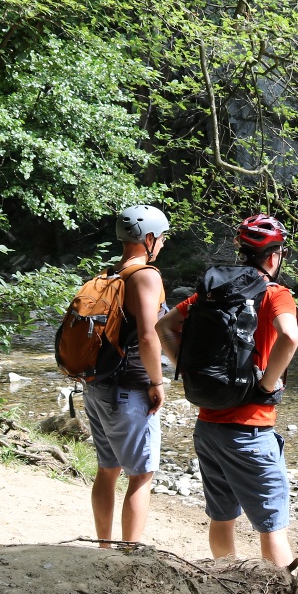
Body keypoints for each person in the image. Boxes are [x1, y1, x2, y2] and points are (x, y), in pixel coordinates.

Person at [158, 214, 298, 568]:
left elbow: (164, 327)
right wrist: (265, 384)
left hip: (208, 428)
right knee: (272, 528)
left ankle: (227, 586)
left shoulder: (213, 293)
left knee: (222, 517)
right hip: (250, 431)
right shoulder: (275, 294)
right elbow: (289, 336)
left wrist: (186, 370)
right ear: (274, 257)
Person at [86, 204, 169, 546]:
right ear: (148, 238)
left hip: (98, 386)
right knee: (141, 475)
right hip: (129, 390)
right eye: (161, 238)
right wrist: (157, 382)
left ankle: (105, 547)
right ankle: (128, 554)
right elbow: (149, 336)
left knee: (107, 470)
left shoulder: (109, 275)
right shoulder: (146, 276)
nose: (163, 243)